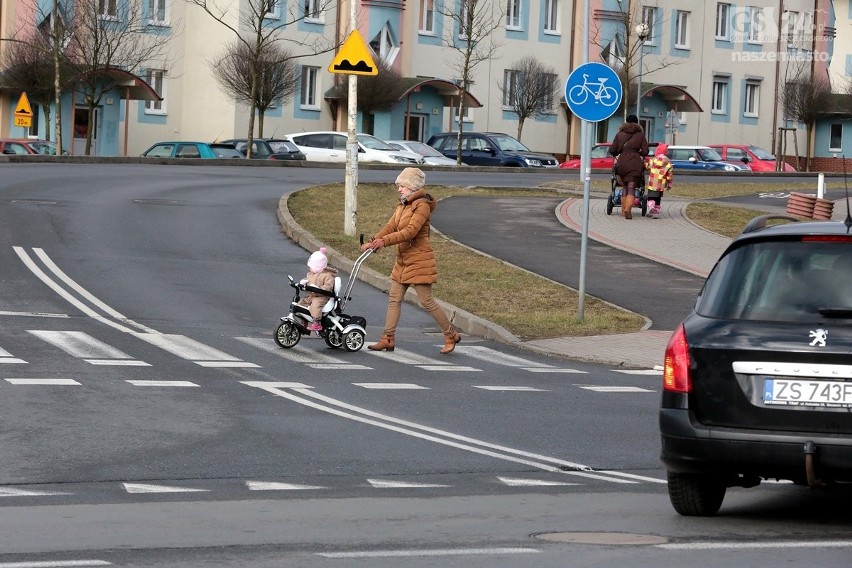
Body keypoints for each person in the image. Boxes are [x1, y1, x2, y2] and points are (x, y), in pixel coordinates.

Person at [359, 167, 462, 354]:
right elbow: (390, 227)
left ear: (413, 187)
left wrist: (384, 242)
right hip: (403, 259)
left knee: (427, 301)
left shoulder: (421, 205)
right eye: (399, 186)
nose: (399, 189)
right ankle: (387, 338)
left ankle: (450, 335)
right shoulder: (402, 205)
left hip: (420, 259)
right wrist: (372, 242)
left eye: (403, 186)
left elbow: (410, 232)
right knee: (394, 299)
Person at [609, 114, 649, 219]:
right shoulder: (640, 135)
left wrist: (621, 151)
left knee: (624, 187)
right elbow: (645, 151)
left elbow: (612, 150)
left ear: (626, 122)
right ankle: (628, 209)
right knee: (631, 187)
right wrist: (637, 152)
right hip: (635, 163)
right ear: (637, 123)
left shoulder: (620, 134)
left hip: (622, 163)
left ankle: (623, 210)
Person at [298, 246, 337, 331]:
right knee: (301, 304)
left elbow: (328, 287)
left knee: (315, 305)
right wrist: (303, 283)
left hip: (322, 297)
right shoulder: (311, 274)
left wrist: (318, 288)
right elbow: (308, 281)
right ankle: (304, 319)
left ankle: (317, 322)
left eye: (312, 266)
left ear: (319, 266)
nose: (310, 268)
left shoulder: (328, 276)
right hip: (312, 295)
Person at [645, 143, 673, 219]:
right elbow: (669, 174)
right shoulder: (668, 162)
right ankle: (656, 213)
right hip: (661, 183)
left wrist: (645, 165)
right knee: (658, 198)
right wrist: (669, 183)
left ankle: (651, 207)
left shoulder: (653, 160)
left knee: (651, 197)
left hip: (652, 182)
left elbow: (648, 166)